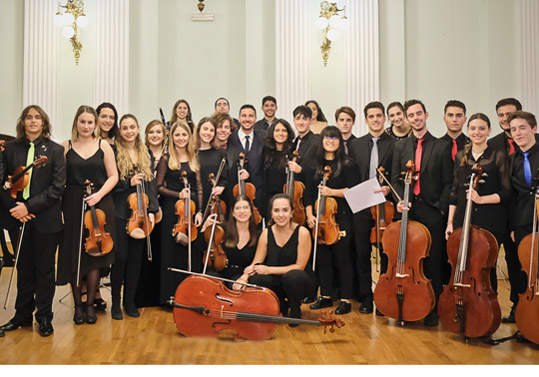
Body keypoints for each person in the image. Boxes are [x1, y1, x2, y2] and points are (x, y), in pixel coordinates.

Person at [0, 105, 66, 337]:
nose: (33, 121)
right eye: (29, 117)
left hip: (46, 219)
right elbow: (2, 184)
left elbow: (57, 188)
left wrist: (28, 206)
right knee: (24, 269)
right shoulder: (10, 149)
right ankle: (22, 315)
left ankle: (45, 316)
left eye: (37, 117)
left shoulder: (56, 151)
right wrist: (16, 209)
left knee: (45, 271)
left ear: (44, 122)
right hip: (18, 220)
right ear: (23, 122)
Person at [391, 99, 453, 326]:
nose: (415, 118)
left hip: (432, 211)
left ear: (426, 115)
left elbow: (448, 182)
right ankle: (406, 305)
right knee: (406, 260)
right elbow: (396, 178)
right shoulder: (400, 146)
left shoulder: (441, 146)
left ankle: (431, 309)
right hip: (407, 209)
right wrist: (399, 200)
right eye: (411, 115)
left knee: (432, 261)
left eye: (419, 114)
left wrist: (441, 207)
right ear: (406, 119)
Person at [56, 106, 118, 325]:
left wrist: (98, 195)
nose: (86, 126)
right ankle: (78, 306)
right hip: (72, 204)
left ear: (96, 124)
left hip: (99, 204)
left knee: (94, 257)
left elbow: (113, 176)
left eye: (90, 122)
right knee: (75, 255)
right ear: (76, 123)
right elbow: (59, 182)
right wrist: (59, 210)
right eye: (82, 122)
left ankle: (90, 305)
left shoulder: (104, 146)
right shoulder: (65, 146)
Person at [445, 113, 510, 291]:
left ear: (489, 131)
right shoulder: (460, 157)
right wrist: (450, 222)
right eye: (473, 128)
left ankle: (487, 308)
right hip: (462, 218)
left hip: (489, 220)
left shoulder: (498, 156)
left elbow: (506, 193)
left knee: (486, 267)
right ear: (468, 130)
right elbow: (454, 192)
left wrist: (481, 199)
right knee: (461, 263)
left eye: (482, 128)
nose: (477, 132)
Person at [305, 126, 360, 315]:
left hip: (341, 218)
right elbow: (308, 193)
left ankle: (345, 299)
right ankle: (326, 296)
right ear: (321, 141)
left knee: (343, 259)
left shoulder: (348, 164)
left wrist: (332, 192)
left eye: (334, 138)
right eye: (327, 137)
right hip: (319, 219)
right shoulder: (315, 165)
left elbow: (354, 191)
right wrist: (309, 215)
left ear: (340, 141)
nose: (331, 141)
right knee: (323, 259)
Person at [348, 101, 395, 315]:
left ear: (384, 118)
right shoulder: (355, 144)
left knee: (386, 252)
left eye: (379, 115)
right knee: (362, 252)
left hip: (385, 204)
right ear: (365, 120)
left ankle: (385, 298)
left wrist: (389, 189)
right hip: (361, 202)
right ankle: (366, 297)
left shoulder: (396, 144)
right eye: (371, 116)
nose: (375, 119)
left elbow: (397, 175)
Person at [236, 194, 314, 321]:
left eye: (285, 210)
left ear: (291, 212)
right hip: (277, 282)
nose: (281, 215)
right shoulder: (266, 233)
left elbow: (300, 267)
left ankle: (295, 308)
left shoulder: (302, 233)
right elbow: (256, 263)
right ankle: (280, 304)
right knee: (257, 278)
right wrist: (243, 277)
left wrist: (269, 269)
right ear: (271, 213)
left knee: (294, 276)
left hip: (299, 283)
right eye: (276, 210)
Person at [111, 114, 158, 320]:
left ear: (138, 129)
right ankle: (115, 302)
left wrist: (152, 210)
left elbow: (150, 185)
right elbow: (110, 183)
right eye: (125, 128)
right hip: (121, 212)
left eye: (132, 127)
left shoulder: (145, 152)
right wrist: (127, 184)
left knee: (135, 260)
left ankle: (129, 302)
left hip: (140, 213)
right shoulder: (113, 151)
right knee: (120, 258)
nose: (129, 131)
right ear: (120, 131)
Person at [156, 121, 203, 304]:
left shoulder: (194, 158)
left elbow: (199, 188)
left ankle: (189, 297)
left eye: (184, 135)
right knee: (171, 253)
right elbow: (158, 187)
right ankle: (170, 296)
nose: (181, 138)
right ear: (172, 137)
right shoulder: (166, 159)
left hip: (190, 212)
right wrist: (178, 194)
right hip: (171, 211)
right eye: (177, 135)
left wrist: (199, 211)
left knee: (188, 253)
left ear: (189, 137)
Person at [488, 98, 526, 323]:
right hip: (498, 213)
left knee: (518, 263)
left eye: (509, 114)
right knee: (491, 262)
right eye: (501, 115)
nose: (505, 119)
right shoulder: (492, 144)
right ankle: (494, 307)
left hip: (522, 214)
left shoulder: (533, 141)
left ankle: (523, 307)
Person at [508, 111, 539, 323]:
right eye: (513, 130)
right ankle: (525, 317)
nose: (518, 133)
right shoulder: (511, 160)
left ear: (534, 128)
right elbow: (510, 196)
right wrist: (512, 226)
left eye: (522, 128)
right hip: (522, 221)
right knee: (523, 270)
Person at [135, 119, 167, 308]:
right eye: (151, 132)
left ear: (164, 135)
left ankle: (158, 295)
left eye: (158, 132)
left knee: (158, 250)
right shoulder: (141, 154)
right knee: (141, 252)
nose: (155, 135)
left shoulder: (169, 155)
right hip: (142, 207)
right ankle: (142, 297)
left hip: (164, 206)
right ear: (145, 135)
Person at [200, 195, 260, 281]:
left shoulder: (258, 235)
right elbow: (200, 248)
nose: (242, 211)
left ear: (251, 211)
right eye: (238, 208)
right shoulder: (222, 229)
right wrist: (204, 228)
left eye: (245, 207)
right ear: (233, 213)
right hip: (221, 275)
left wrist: (245, 277)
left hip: (243, 278)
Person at [228, 104, 266, 215]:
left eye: (251, 116)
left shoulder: (264, 138)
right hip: (235, 195)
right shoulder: (230, 139)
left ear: (255, 119)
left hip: (258, 196)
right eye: (244, 116)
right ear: (239, 118)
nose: (247, 119)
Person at [195, 117, 227, 215]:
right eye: (205, 129)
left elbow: (225, 178)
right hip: (196, 200)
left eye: (212, 130)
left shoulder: (220, 153)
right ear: (199, 130)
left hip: (214, 199)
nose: (208, 133)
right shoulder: (192, 154)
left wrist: (221, 187)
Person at [262, 119, 296, 210]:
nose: (280, 133)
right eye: (277, 130)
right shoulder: (265, 152)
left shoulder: (294, 152)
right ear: (272, 133)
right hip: (270, 200)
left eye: (284, 130)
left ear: (288, 133)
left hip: (288, 197)